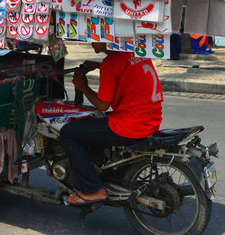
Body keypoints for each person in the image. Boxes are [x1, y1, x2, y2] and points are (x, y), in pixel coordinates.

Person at [60, 42, 163, 205]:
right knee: (93, 123)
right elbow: (125, 69)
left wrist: (83, 86)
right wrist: (99, 66)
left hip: (130, 124)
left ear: (106, 38)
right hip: (150, 119)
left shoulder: (111, 63)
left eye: (95, 37)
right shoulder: (138, 52)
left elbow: (102, 105)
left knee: (68, 132)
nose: (91, 41)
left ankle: (92, 189)